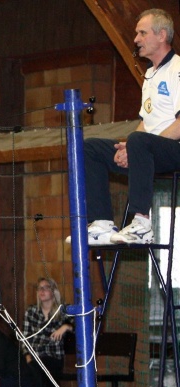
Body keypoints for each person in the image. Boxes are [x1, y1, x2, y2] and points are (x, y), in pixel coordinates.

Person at [76, 8, 180, 245]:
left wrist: (137, 146)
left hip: (174, 150)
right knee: (91, 147)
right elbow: (145, 122)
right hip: (147, 151)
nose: (136, 39)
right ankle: (101, 223)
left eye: (142, 33)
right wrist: (127, 149)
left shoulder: (177, 69)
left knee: (137, 141)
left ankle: (142, 224)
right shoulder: (150, 74)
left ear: (162, 35)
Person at [21, 278, 72, 387]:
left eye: (46, 287)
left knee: (43, 373)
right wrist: (27, 355)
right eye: (39, 288)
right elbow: (25, 338)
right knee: (29, 372)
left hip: (52, 356)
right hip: (34, 357)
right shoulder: (31, 312)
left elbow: (80, 325)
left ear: (53, 291)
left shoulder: (63, 311)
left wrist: (66, 327)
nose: (42, 291)